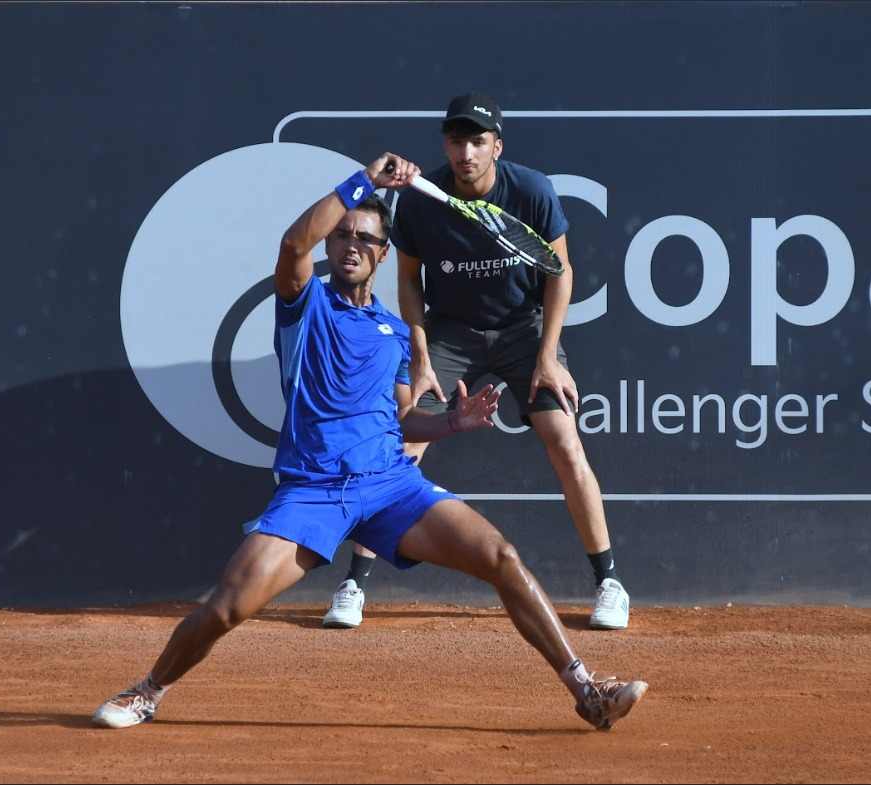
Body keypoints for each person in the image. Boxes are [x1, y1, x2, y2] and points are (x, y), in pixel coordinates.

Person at [92, 153, 647, 732]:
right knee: (229, 604)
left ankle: (587, 690)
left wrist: (450, 425)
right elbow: (290, 245)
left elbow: (404, 420)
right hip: (314, 490)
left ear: (384, 255)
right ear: (330, 248)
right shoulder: (303, 305)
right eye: (341, 236)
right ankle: (148, 689)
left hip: (389, 485)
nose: (350, 245)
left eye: (365, 238)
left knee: (501, 558)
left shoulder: (395, 333)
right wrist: (364, 181)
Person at [323, 94, 632, 632]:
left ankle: (609, 581)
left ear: (496, 147)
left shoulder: (531, 190)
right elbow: (409, 284)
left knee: (564, 440)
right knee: (399, 445)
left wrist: (547, 356)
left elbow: (559, 272)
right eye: (456, 141)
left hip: (522, 329)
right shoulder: (421, 200)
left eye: (477, 142)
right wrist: (420, 355)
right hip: (451, 334)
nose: (465, 152)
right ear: (446, 144)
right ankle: (354, 584)